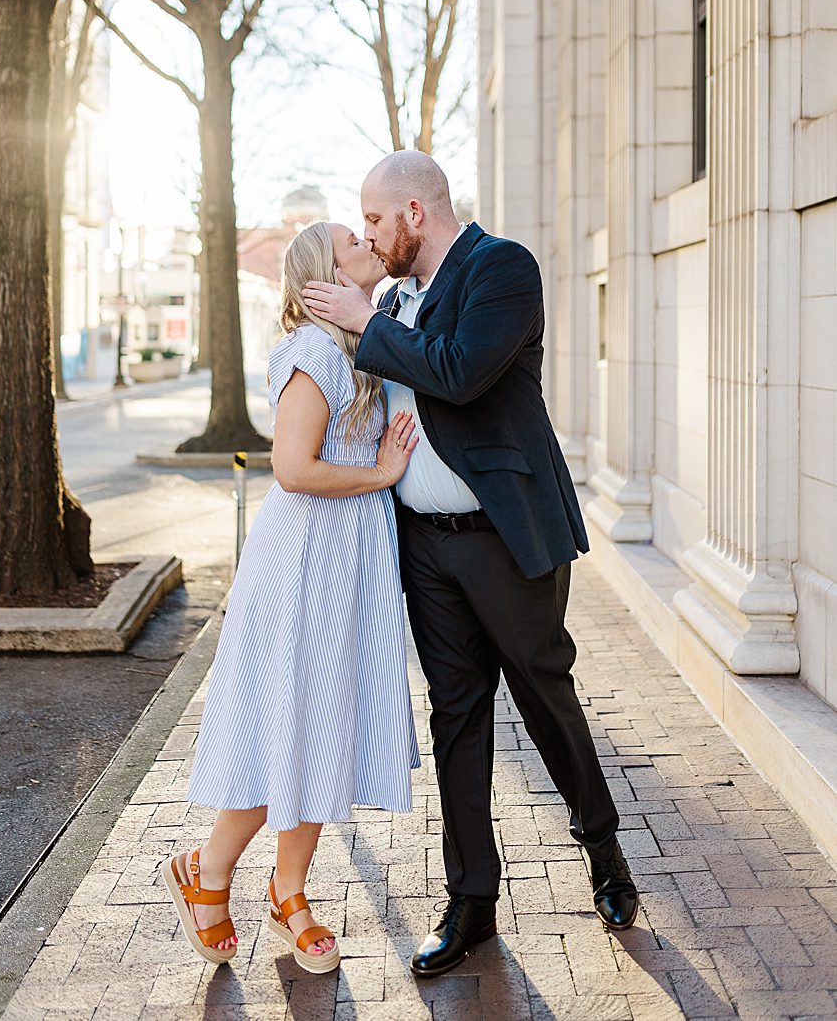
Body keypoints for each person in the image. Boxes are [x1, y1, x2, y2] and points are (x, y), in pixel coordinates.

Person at [303, 152, 638, 979]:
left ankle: (606, 856)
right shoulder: (397, 296)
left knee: (542, 691)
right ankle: (471, 901)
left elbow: (457, 373)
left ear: (415, 211)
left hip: (505, 534)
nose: (371, 237)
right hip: (425, 542)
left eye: (376, 221)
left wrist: (367, 316)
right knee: (455, 714)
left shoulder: (502, 268)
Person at [163, 221, 420, 975]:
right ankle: (207, 874)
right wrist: (381, 473)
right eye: (351, 241)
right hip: (306, 564)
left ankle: (289, 892)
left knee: (321, 727)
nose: (366, 241)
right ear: (320, 278)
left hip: (343, 564)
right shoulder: (315, 352)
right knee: (288, 727)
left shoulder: (359, 344)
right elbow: (295, 469)